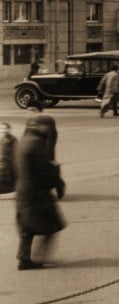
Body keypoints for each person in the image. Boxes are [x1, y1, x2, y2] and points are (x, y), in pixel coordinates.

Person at [15, 114, 65, 270]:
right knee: (52, 226)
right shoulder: (36, 144)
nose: (50, 130)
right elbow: (46, 169)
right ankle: (36, 257)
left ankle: (24, 257)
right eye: (48, 126)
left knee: (27, 228)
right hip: (37, 194)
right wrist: (57, 182)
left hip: (23, 191)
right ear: (41, 126)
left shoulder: (23, 141)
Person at [0, 122, 17, 195]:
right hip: (1, 161)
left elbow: (16, 151)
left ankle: (7, 189)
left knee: (8, 175)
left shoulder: (13, 139)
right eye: (2, 128)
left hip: (8, 162)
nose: (4, 130)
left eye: (6, 128)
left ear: (9, 129)